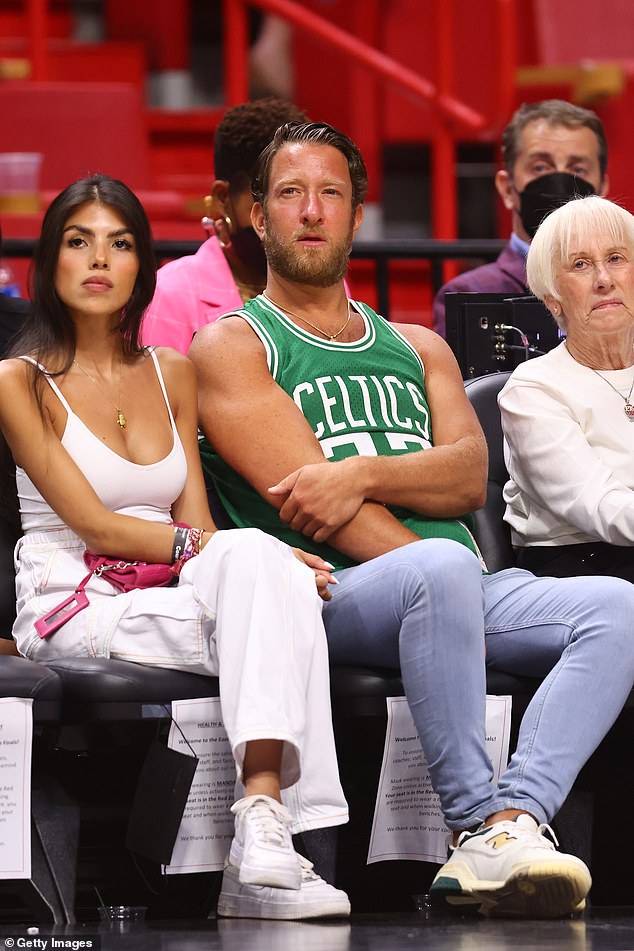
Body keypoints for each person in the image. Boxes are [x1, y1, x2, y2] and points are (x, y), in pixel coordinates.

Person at [189, 121, 634, 919]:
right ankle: (474, 820)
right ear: (258, 216)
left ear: (359, 216)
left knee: (617, 607)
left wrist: (360, 472)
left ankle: (520, 817)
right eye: (291, 194)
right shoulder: (232, 344)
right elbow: (310, 505)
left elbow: (468, 476)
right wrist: (441, 561)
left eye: (332, 193)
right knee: (442, 567)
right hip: (328, 596)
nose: (313, 211)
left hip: (454, 585)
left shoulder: (420, 345)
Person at [0, 173, 351, 921]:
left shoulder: (174, 370)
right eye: (78, 241)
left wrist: (256, 560)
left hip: (167, 592)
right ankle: (280, 851)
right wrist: (247, 555)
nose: (99, 259)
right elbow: (96, 525)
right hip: (76, 604)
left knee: (272, 580)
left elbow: (199, 527)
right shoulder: (17, 381)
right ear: (50, 262)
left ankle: (261, 820)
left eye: (120, 244)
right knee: (279, 601)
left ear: (141, 266)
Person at [499, 195, 634, 581]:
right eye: (581, 265)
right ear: (552, 299)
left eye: (616, 259)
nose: (604, 279)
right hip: (581, 569)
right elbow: (598, 506)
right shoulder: (533, 390)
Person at [142, 98, 307, 353]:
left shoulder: (325, 282)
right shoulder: (169, 294)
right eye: (280, 193)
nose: (303, 212)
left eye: (301, 192)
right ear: (222, 198)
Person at [433, 99, 609, 337]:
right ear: (507, 189)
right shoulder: (471, 296)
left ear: (603, 189)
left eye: (577, 170)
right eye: (540, 168)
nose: (559, 182)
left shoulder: (624, 288)